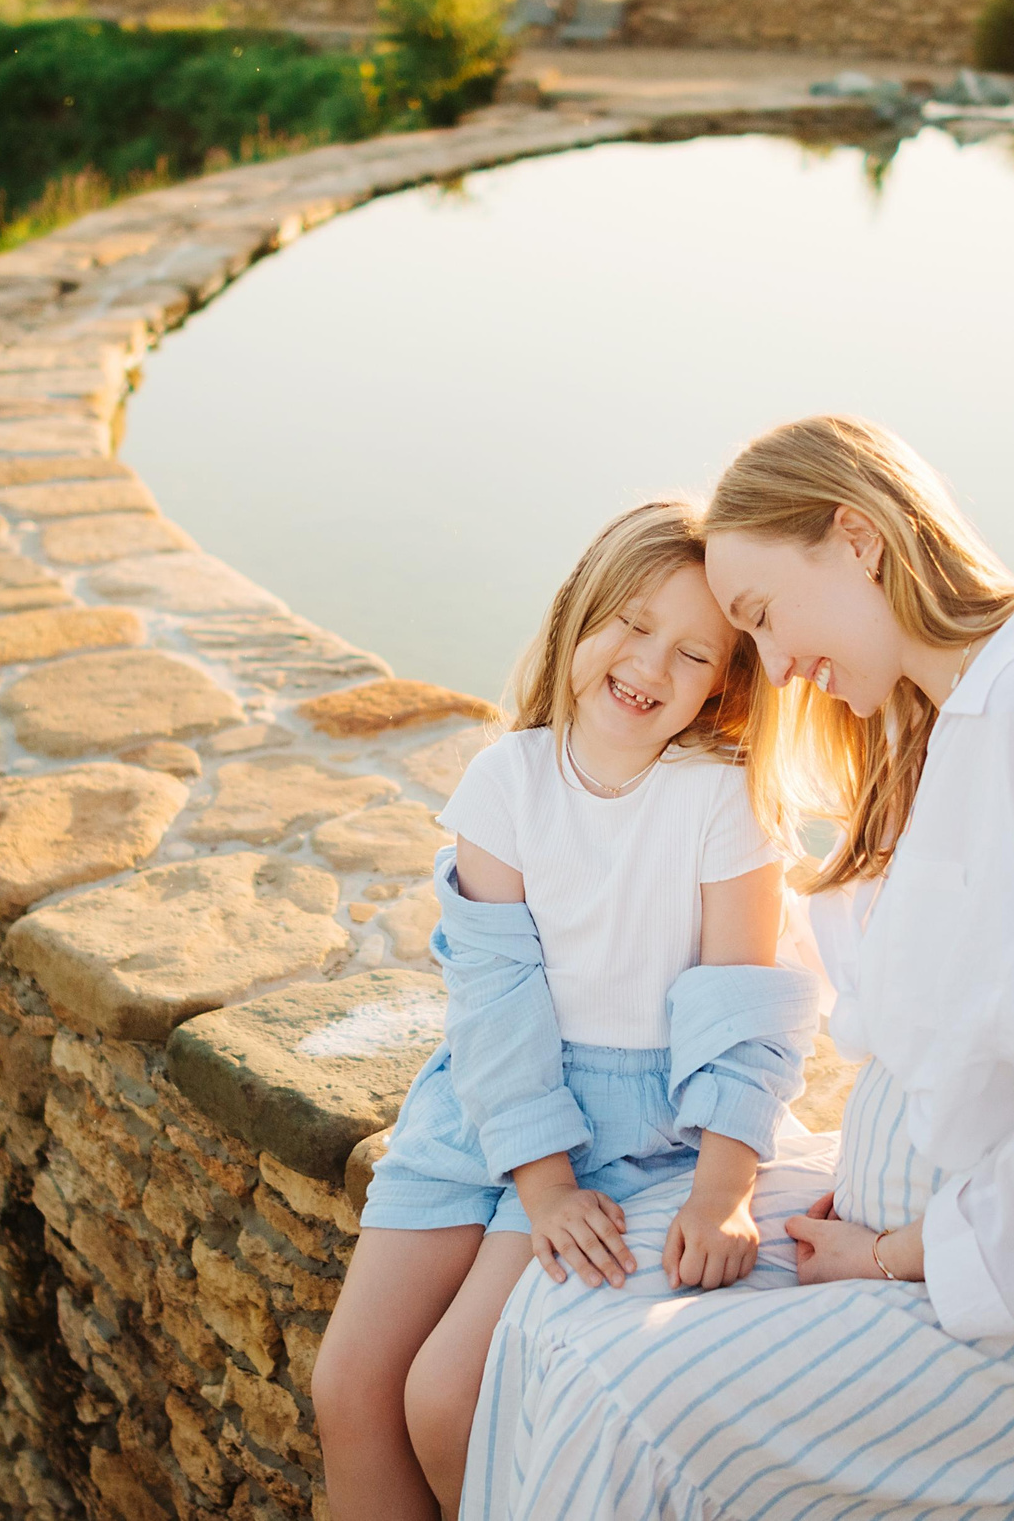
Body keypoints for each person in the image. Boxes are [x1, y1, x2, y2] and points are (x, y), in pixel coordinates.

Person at [463, 417, 1014, 1521]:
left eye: (759, 617)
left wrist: (901, 1250)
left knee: (623, 1394)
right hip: (927, 1223)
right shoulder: (945, 718)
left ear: (857, 537)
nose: (777, 665)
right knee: (551, 1315)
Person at [312, 500, 823, 1520]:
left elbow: (745, 1005)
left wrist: (724, 1185)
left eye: (690, 651)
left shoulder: (721, 799)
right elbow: (495, 1002)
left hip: (625, 1128)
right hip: (494, 1105)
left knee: (450, 1396)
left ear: (724, 682)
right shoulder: (505, 783)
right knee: (348, 1385)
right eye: (629, 623)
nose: (647, 665)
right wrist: (536, 1181)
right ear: (579, 613)